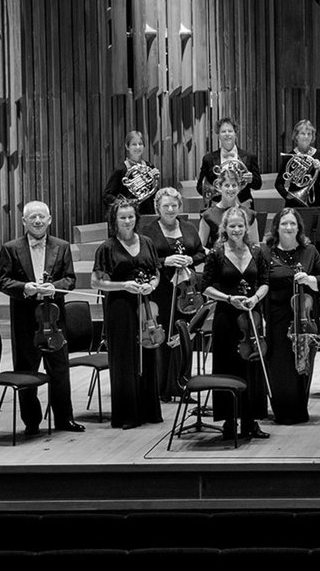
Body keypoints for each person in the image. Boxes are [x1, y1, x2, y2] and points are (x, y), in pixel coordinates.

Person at [0, 201, 83, 435]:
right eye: (32, 217)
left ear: (49, 219)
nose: (37, 221)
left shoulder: (62, 246)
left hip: (54, 321)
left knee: (59, 370)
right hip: (25, 321)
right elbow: (2, 281)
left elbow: (70, 279)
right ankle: (31, 422)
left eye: (41, 217)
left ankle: (64, 419)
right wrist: (25, 287)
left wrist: (55, 287)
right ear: (24, 221)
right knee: (26, 370)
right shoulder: (11, 248)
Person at [199, 206, 271, 440]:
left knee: (252, 367)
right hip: (226, 320)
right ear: (225, 228)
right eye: (232, 226)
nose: (237, 229)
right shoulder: (216, 253)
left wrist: (255, 298)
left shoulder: (257, 251)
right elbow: (205, 287)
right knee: (228, 367)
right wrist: (229, 298)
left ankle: (251, 421)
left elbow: (264, 281)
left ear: (246, 227)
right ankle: (229, 422)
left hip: (251, 316)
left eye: (241, 225)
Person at [91, 199, 163, 430]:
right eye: (122, 217)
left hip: (144, 306)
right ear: (114, 220)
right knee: (124, 359)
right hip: (119, 308)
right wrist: (124, 286)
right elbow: (96, 282)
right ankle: (127, 414)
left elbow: (156, 273)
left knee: (147, 355)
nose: (127, 221)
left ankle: (149, 411)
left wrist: (152, 285)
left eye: (131, 216)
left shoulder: (147, 242)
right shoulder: (107, 247)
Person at [139, 188, 207, 402]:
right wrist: (165, 261)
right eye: (166, 205)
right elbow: (143, 258)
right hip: (161, 292)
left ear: (180, 207)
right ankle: (161, 388)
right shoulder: (148, 231)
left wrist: (190, 260)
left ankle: (181, 384)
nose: (170, 209)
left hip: (186, 293)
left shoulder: (188, 228)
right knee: (163, 337)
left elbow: (199, 252)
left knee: (183, 337)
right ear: (157, 207)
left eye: (174, 205)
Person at [263, 208, 320, 425]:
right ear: (276, 227)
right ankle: (281, 411)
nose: (289, 228)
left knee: (302, 363)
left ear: (299, 227)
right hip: (277, 317)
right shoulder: (266, 252)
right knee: (280, 364)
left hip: (304, 316)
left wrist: (310, 280)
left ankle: (300, 409)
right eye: (284, 224)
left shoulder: (309, 251)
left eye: (293, 224)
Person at [195, 117, 263, 208]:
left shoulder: (249, 157)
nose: (227, 134)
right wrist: (215, 191)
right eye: (223, 132)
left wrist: (251, 180)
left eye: (230, 131)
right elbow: (201, 187)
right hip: (217, 206)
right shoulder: (208, 159)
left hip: (243, 205)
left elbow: (258, 185)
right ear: (218, 135)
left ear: (235, 134)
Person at [198, 168, 259, 250]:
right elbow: (200, 246)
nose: (231, 189)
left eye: (234, 185)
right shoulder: (208, 215)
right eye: (227, 185)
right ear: (219, 187)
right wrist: (214, 255)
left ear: (239, 187)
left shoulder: (250, 214)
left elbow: (255, 245)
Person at [275, 119, 320, 209]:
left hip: (315, 200)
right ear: (296, 136)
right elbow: (278, 183)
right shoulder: (290, 156)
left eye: (309, 134)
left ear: (312, 137)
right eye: (303, 133)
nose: (306, 137)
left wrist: (319, 169)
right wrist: (287, 196)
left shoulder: (319, 155)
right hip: (294, 201)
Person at [102, 131, 160, 215]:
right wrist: (123, 203)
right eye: (134, 144)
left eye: (140, 144)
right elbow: (107, 196)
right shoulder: (121, 169)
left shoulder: (149, 166)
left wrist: (155, 180)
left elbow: (154, 193)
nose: (138, 147)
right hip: (128, 215)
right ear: (127, 146)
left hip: (148, 212)